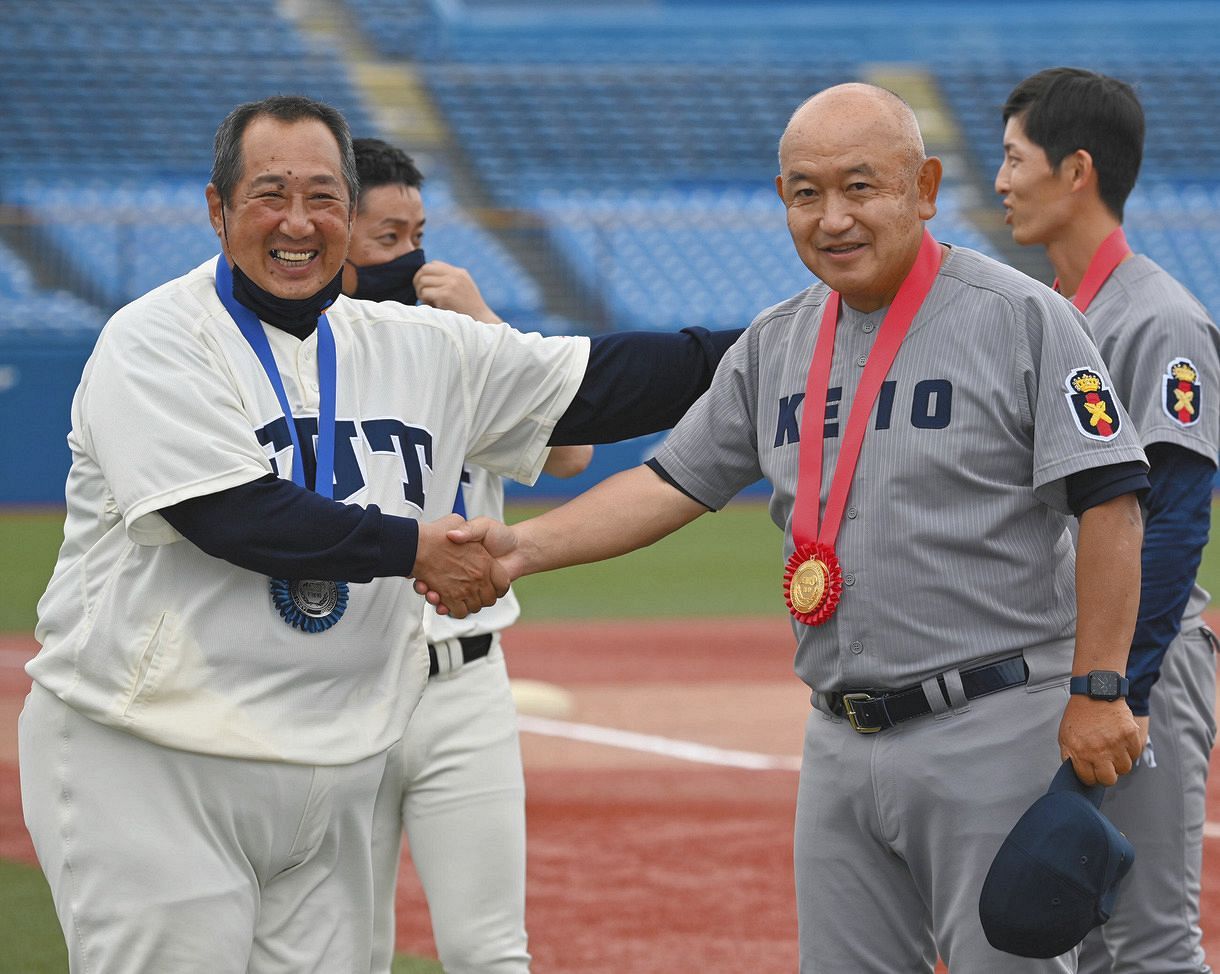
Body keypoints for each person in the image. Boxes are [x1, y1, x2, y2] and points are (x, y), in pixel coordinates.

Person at [424, 83, 1152, 972]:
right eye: (806, 193)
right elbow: (668, 482)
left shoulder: (1022, 318)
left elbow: (1110, 499)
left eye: (860, 187)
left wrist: (1101, 688)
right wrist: (520, 550)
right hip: (840, 736)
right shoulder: (776, 343)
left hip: (992, 725)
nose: (832, 217)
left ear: (924, 188)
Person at [17, 94, 738, 974]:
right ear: (216, 209)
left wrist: (786, 341)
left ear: (351, 217)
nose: (297, 222)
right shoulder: (157, 340)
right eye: (268, 194)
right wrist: (415, 549)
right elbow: (233, 515)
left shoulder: (415, 344)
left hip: (332, 764)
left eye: (324, 197)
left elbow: (601, 383)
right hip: (156, 756)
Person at [344, 136, 591, 974]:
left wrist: (487, 326)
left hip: (466, 682)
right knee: (343, 950)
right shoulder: (300, 367)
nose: (411, 258)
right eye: (387, 238)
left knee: (490, 951)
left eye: (418, 235)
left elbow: (570, 455)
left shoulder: (459, 345)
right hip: (344, 677)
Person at [997, 67, 1219, 974]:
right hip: (1072, 661)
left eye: (1015, 158)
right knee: (1073, 940)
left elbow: (1172, 520)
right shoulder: (1053, 314)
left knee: (1151, 941)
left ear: (1076, 169)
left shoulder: (1160, 319)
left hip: (1139, 670)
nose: (1001, 179)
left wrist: (1114, 691)